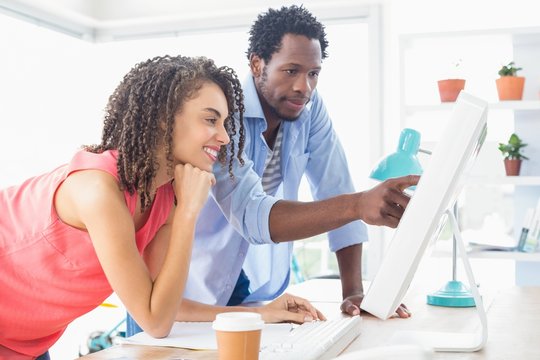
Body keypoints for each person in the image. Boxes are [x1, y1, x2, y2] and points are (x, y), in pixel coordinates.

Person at [0, 55, 323, 360]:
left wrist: (260, 314)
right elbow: (155, 321)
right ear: (162, 120)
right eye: (211, 120)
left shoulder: (163, 195)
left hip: (27, 342)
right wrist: (187, 215)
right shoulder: (98, 191)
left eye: (225, 123)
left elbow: (165, 308)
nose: (225, 137)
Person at [126, 5, 419, 336]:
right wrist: (358, 205)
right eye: (291, 71)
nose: (303, 87)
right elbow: (253, 214)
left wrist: (353, 291)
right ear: (257, 64)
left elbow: (335, 186)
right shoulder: (223, 113)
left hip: (238, 278)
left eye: (313, 73)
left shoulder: (309, 109)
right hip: (177, 281)